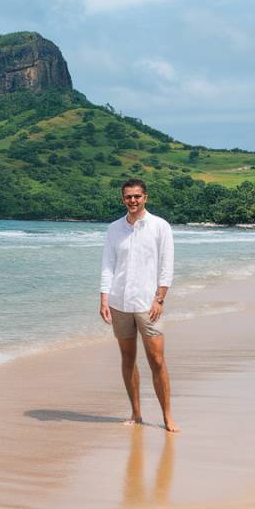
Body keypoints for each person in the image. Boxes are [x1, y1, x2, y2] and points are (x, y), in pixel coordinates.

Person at [99, 178, 178, 432]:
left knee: (156, 359)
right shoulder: (114, 229)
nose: (132, 201)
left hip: (148, 303)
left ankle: (167, 417)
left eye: (137, 196)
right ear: (122, 199)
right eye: (128, 197)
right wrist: (104, 298)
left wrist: (160, 298)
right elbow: (108, 266)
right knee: (127, 358)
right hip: (119, 302)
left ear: (145, 197)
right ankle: (136, 413)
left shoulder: (159, 226)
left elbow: (166, 266)